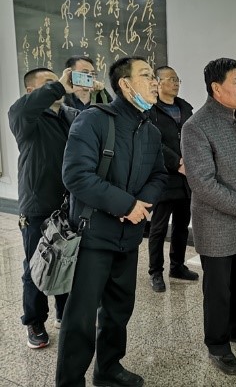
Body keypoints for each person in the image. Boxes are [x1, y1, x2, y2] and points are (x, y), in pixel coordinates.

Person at [55, 56, 168, 387]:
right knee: (81, 317)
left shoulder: (150, 131)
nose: (155, 82)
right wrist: (126, 204)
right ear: (125, 84)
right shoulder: (93, 120)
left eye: (154, 76)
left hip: (128, 237)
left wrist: (139, 205)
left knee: (119, 310)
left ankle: (108, 368)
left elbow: (160, 175)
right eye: (146, 75)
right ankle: (70, 381)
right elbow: (76, 175)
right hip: (92, 236)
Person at [181, 58, 236, 376]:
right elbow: (203, 183)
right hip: (216, 224)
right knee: (218, 290)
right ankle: (217, 343)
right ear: (217, 88)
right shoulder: (196, 126)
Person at [8, 67, 79, 349]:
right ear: (31, 91)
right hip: (37, 207)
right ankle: (34, 321)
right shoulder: (24, 117)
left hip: (67, 204)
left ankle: (64, 312)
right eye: (48, 83)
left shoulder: (66, 116)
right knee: (37, 265)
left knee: (66, 259)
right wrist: (58, 85)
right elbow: (23, 109)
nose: (58, 86)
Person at [147, 65, 199, 292]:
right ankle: (155, 271)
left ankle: (177, 266)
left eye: (177, 79)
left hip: (186, 179)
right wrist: (177, 162)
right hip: (163, 177)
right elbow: (153, 142)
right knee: (158, 228)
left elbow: (195, 137)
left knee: (181, 226)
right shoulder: (150, 110)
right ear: (157, 83)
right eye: (170, 79)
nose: (176, 83)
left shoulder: (185, 108)